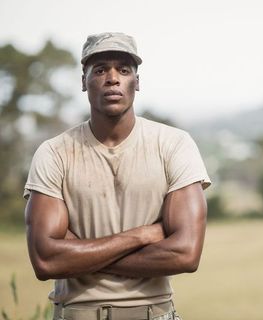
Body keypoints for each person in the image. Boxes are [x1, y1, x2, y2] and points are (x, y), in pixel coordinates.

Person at [23, 32, 211, 320]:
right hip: (77, 313)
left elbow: (185, 254)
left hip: (154, 313)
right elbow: (46, 261)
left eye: (123, 70)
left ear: (137, 82)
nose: (112, 78)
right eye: (100, 70)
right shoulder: (54, 153)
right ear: (84, 82)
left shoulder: (173, 144)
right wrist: (143, 235)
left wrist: (79, 253)